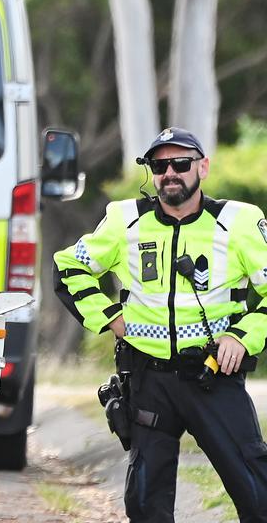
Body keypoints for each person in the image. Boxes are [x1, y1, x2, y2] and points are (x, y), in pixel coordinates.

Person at [53, 127, 267, 522]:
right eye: (159, 165)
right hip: (149, 381)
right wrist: (110, 317)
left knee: (257, 492)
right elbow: (68, 267)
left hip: (214, 377)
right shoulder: (123, 220)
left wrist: (242, 336)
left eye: (180, 164)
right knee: (145, 504)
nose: (170, 172)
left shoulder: (239, 222)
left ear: (203, 167)